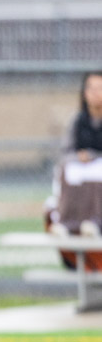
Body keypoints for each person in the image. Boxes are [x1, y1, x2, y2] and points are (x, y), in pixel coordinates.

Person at [48, 71, 102, 241]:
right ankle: (66, 223)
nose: (95, 93)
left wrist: (92, 156)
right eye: (91, 88)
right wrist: (79, 157)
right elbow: (66, 151)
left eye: (99, 88)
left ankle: (96, 222)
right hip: (80, 165)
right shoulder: (78, 121)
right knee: (68, 170)